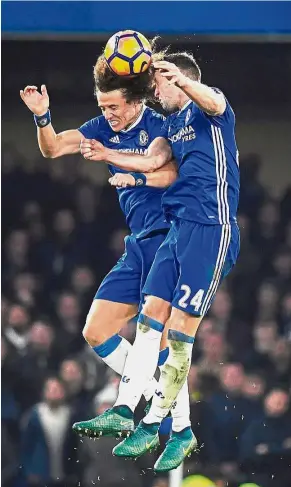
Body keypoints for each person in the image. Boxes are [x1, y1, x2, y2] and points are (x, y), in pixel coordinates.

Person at [79, 50, 240, 471]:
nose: (151, 92)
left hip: (211, 229)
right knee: (151, 318)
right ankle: (127, 410)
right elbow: (152, 161)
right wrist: (111, 158)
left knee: (180, 333)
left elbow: (213, 101)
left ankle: (162, 425)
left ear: (178, 79)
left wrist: (182, 82)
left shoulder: (213, 111)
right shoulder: (169, 126)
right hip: (177, 228)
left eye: (157, 84)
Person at [20, 53, 192, 437]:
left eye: (113, 106)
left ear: (134, 101)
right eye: (102, 106)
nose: (108, 113)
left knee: (159, 338)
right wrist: (43, 117)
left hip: (170, 238)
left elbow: (165, 171)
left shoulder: (160, 124)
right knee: (95, 331)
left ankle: (176, 423)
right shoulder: (100, 127)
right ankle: (154, 394)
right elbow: (53, 148)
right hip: (138, 243)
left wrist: (119, 163)